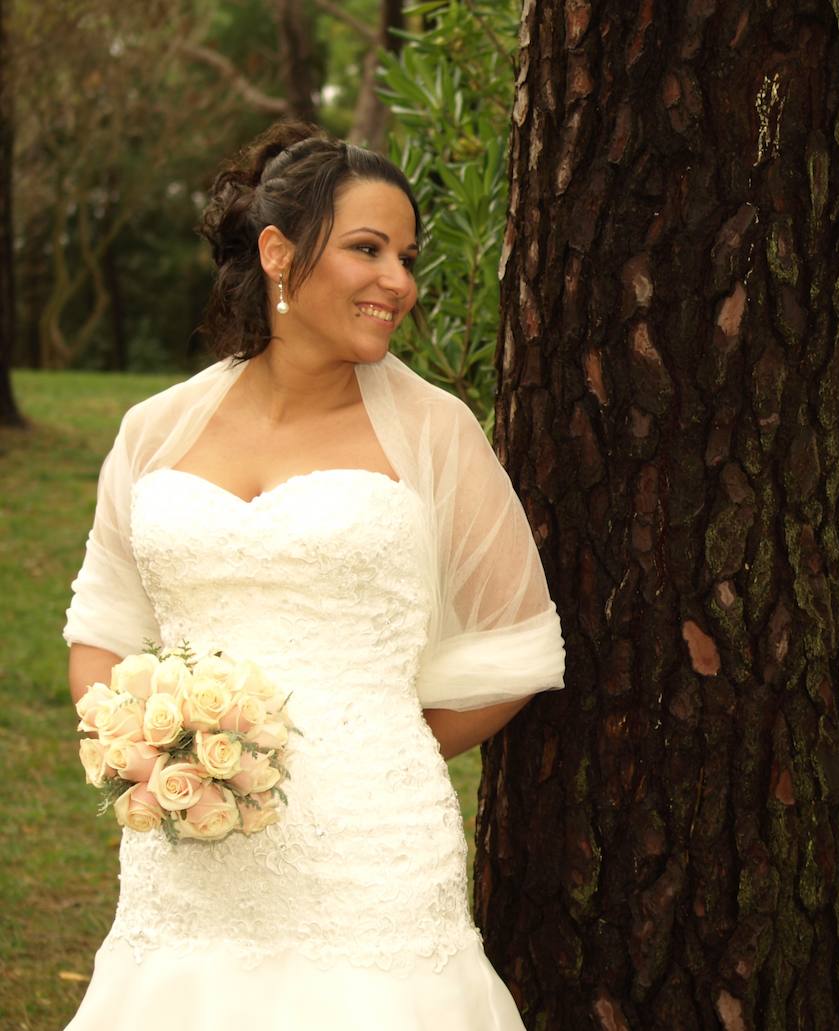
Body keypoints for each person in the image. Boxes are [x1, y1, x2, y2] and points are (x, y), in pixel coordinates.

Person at [63, 122, 563, 1029]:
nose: (398, 284)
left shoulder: (436, 431)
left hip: (375, 852)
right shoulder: (155, 430)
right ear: (277, 252)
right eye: (367, 250)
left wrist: (367, 747)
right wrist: (145, 754)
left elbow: (519, 646)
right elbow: (102, 621)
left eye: (407, 258)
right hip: (191, 850)